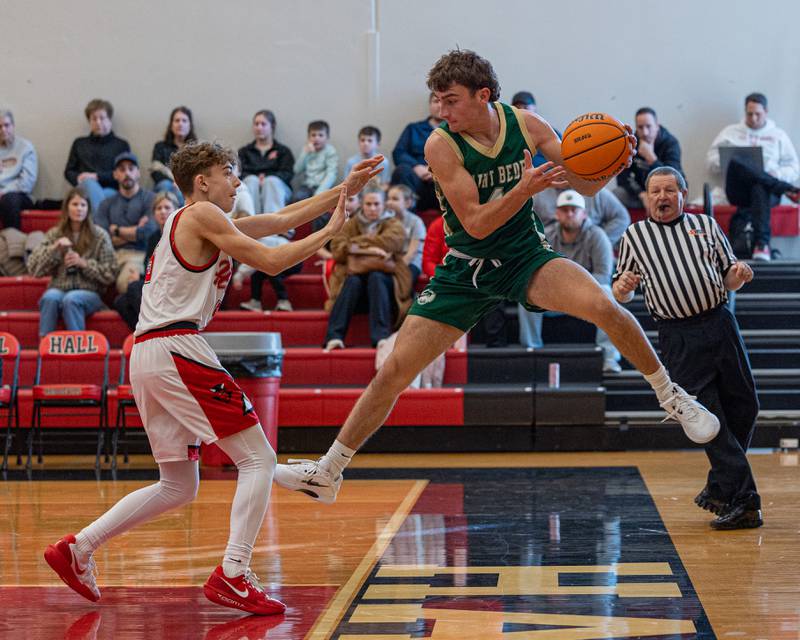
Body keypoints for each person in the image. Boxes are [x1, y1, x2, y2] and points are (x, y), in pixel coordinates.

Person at [275, 49, 720, 503]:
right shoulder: (440, 145)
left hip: (525, 257)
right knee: (392, 372)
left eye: (450, 101)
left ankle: (672, 397)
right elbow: (476, 224)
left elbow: (582, 184)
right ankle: (328, 471)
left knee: (603, 303)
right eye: (438, 101)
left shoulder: (527, 125)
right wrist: (524, 189)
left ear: (482, 95)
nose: (441, 112)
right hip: (464, 270)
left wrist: (611, 162)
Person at [43, 141, 384, 613]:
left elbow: (281, 219)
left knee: (179, 485)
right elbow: (270, 261)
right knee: (257, 459)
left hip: (149, 352)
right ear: (202, 182)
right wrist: (331, 229)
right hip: (175, 346)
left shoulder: (205, 222)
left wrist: (341, 191)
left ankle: (77, 548)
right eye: (230, 172)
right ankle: (234, 572)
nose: (238, 181)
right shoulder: (201, 215)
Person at [613, 166, 761, 530]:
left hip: (720, 323)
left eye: (668, 190)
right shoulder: (634, 235)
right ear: (647, 197)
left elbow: (728, 277)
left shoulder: (707, 226)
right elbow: (620, 292)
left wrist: (738, 277)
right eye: (654, 191)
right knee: (707, 421)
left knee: (746, 405)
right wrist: (625, 286)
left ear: (683, 193)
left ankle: (720, 487)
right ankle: (745, 502)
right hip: (677, 336)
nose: (661, 197)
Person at [518, 190, 621, 372]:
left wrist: (573, 290)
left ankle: (610, 358)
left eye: (574, 210)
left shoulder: (598, 237)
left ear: (584, 214)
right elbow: (534, 272)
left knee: (607, 293)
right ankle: (531, 351)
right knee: (526, 293)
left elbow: (604, 275)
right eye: (565, 210)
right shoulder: (545, 237)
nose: (570, 214)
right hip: (556, 298)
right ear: (557, 214)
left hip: (586, 298)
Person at [706, 92, 800, 261]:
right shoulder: (730, 132)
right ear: (745, 112)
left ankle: (761, 245)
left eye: (758, 114)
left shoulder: (778, 135)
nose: (754, 118)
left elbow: (794, 168)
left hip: (767, 193)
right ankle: (787, 190)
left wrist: (776, 173)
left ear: (766, 111)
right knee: (737, 160)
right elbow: (710, 161)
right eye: (750, 114)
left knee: (760, 183)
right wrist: (728, 163)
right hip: (738, 192)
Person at [323, 187, 411, 350]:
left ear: (384, 205)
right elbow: (337, 249)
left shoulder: (394, 224)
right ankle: (334, 337)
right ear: (362, 205)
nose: (372, 208)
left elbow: (393, 242)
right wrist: (372, 249)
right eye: (368, 204)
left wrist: (356, 247)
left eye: (376, 204)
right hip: (354, 285)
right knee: (353, 281)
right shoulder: (349, 224)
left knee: (376, 277)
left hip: (386, 286)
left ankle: (380, 337)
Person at [27, 186, 116, 337]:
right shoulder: (55, 234)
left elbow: (110, 273)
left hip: (90, 292)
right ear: (67, 207)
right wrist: (54, 249)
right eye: (75, 204)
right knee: (49, 297)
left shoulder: (100, 235)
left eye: (83, 205)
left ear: (88, 209)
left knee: (71, 299)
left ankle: (78, 349)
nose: (79, 209)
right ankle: (45, 347)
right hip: (59, 288)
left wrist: (84, 264)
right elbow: (33, 268)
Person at [114, 191, 180, 329]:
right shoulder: (153, 238)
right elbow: (150, 268)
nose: (162, 211)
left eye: (167, 208)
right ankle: (149, 333)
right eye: (158, 208)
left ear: (175, 210)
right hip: (157, 286)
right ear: (154, 213)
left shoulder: (180, 234)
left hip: (175, 286)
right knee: (120, 301)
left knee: (134, 287)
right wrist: (139, 276)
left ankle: (157, 329)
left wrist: (142, 280)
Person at [93, 152, 157, 294]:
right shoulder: (106, 204)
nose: (127, 173)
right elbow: (102, 238)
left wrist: (116, 230)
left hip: (137, 255)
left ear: (138, 173)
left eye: (131, 168)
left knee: (128, 283)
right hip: (109, 257)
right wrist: (135, 231)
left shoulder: (151, 199)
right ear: (115, 174)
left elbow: (148, 233)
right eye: (122, 169)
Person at [64, 99, 131, 211]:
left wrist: (96, 177)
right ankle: (100, 225)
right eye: (94, 119)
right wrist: (78, 178)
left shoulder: (121, 145)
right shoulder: (79, 143)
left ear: (109, 120)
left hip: (111, 189)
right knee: (89, 184)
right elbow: (69, 171)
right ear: (89, 121)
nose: (98, 122)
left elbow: (124, 174)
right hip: (83, 191)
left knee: (104, 194)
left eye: (102, 118)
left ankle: (95, 225)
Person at [615, 107, 683, 209]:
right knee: (617, 194)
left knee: (677, 194)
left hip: (666, 192)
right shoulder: (632, 142)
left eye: (649, 126)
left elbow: (673, 178)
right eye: (640, 127)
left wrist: (651, 158)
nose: (645, 132)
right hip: (642, 194)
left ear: (657, 126)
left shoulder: (670, 143)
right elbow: (622, 178)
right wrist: (641, 193)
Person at [532, 185, 630, 247]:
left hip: (590, 252)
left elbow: (622, 217)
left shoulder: (594, 190)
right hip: (552, 250)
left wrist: (601, 242)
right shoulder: (539, 193)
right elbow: (530, 226)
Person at [391, 93, 443, 210]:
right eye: (436, 101)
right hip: (417, 185)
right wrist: (416, 167)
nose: (440, 105)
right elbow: (398, 153)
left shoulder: (457, 131)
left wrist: (437, 173)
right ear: (429, 105)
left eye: (444, 101)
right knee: (402, 171)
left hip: (443, 186)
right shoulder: (413, 128)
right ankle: (405, 222)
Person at [238, 110, 295, 214]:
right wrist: (257, 178)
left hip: (277, 188)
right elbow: (239, 173)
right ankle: (251, 221)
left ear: (272, 126)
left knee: (271, 181)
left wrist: (265, 178)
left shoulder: (283, 151)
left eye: (263, 124)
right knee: (251, 180)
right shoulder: (244, 152)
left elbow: (287, 174)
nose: (259, 127)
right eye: (256, 124)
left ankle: (275, 225)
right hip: (252, 185)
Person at [151, 106, 197, 204]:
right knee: (166, 186)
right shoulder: (160, 147)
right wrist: (174, 182)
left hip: (188, 186)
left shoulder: (196, 148)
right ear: (171, 125)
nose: (180, 124)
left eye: (184, 121)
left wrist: (182, 183)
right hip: (167, 185)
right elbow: (155, 173)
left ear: (190, 125)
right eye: (177, 120)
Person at [0, 109, 38, 230]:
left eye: (6, 125)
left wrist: (3, 192)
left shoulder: (26, 147)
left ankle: (13, 243)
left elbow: (26, 184)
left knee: (9, 199)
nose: (3, 130)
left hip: (19, 196)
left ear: (13, 126)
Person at [385, 184, 426, 287]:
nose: (389, 202)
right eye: (388, 198)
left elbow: (412, 253)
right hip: (393, 260)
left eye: (395, 199)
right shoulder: (387, 221)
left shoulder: (416, 222)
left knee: (397, 281)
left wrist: (396, 268)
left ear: (408, 203)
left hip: (411, 262)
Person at [292, 120, 339, 204]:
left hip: (322, 187)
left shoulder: (330, 151)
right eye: (313, 135)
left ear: (327, 137)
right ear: (308, 137)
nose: (317, 138)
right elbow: (296, 170)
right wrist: (305, 154)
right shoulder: (306, 150)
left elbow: (331, 174)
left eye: (321, 135)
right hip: (306, 186)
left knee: (320, 208)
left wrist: (319, 193)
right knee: (296, 201)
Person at [510, 91, 561, 168]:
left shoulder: (551, 133)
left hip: (551, 177)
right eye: (517, 108)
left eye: (525, 107)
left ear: (534, 107)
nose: (522, 111)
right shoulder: (509, 136)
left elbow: (564, 160)